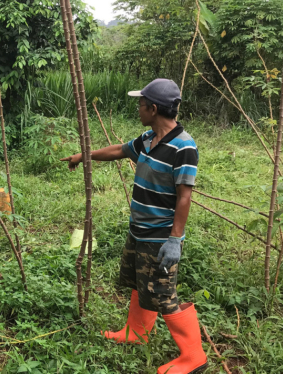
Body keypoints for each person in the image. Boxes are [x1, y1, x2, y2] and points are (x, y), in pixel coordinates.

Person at [61, 79, 206, 374]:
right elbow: (120, 150)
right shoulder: (149, 138)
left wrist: (175, 239)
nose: (138, 108)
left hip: (160, 237)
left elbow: (185, 196)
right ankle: (135, 332)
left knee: (164, 294)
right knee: (140, 284)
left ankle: (194, 356)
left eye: (141, 104)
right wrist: (83, 155)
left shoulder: (183, 147)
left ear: (153, 108)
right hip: (139, 229)